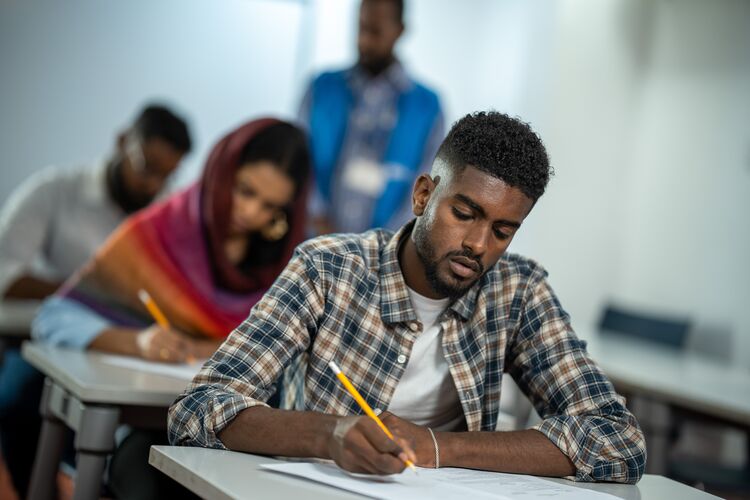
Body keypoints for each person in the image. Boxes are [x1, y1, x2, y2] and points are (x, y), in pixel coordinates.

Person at [168, 111, 647, 483]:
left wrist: (436, 448)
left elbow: (617, 439)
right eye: (464, 213)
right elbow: (199, 408)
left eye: (503, 231)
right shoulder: (327, 268)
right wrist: (329, 434)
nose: (479, 245)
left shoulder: (518, 291)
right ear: (423, 196)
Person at [32, 118, 310, 498]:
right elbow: (55, 315)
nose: (250, 212)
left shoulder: (286, 265)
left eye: (270, 207)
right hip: (142, 427)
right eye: (244, 190)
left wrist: (212, 350)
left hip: (233, 439)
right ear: (221, 171)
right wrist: (139, 343)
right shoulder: (159, 230)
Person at [0, 104, 190, 498]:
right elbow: (4, 273)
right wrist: (88, 293)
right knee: (17, 402)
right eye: (146, 166)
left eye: (166, 175)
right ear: (123, 141)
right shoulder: (56, 190)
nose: (152, 184)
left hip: (127, 355)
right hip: (48, 342)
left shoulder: (168, 216)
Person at [300, 0, 444, 235]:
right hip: (314, 236)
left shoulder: (427, 107)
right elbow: (299, 159)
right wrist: (317, 218)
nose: (363, 41)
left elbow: (429, 180)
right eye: (361, 28)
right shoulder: (322, 88)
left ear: (400, 31)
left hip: (384, 249)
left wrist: (384, 242)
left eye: (375, 31)